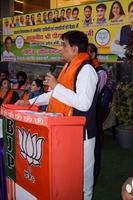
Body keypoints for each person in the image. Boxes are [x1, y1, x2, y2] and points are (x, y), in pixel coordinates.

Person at [16, 30, 98, 200]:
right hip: (64, 130)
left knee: (83, 177)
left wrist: (56, 86)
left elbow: (84, 103)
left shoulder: (87, 70)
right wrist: (30, 102)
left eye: (63, 45)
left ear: (75, 49)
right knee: (67, 174)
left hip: (82, 134)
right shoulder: (68, 67)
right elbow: (56, 95)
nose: (60, 49)